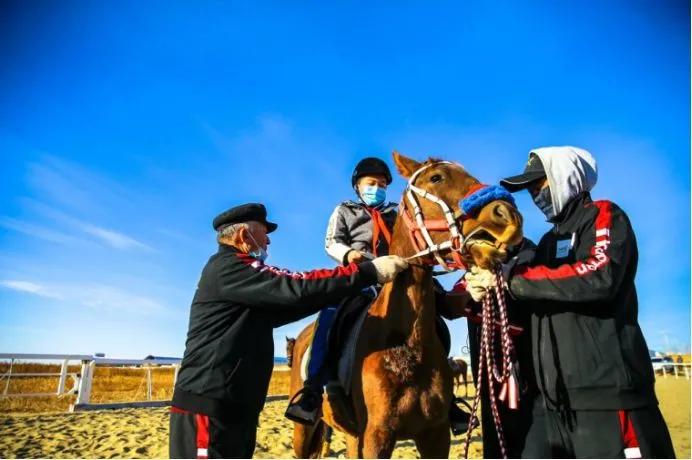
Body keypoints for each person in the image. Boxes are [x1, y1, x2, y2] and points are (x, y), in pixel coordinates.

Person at [466, 147, 676, 458]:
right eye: (531, 190)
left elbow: (599, 275)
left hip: (609, 396)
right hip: (557, 404)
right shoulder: (548, 243)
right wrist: (483, 292)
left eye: (541, 184)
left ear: (566, 178)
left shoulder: (603, 216)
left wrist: (510, 281)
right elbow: (529, 300)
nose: (536, 195)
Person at [169, 203, 409, 459]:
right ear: (242, 236)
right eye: (264, 232)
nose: (268, 241)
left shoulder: (238, 280)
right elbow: (296, 286)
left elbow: (293, 304)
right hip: (209, 409)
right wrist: (368, 272)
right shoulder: (231, 267)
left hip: (235, 409)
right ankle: (313, 387)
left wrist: (341, 291)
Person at [285, 157, 397, 424]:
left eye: (382, 184)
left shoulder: (397, 211)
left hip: (395, 275)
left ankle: (447, 397)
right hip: (359, 275)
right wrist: (349, 255)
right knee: (331, 315)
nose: (378, 187)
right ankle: (313, 389)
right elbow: (332, 242)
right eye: (372, 183)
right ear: (358, 186)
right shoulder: (344, 210)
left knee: (434, 307)